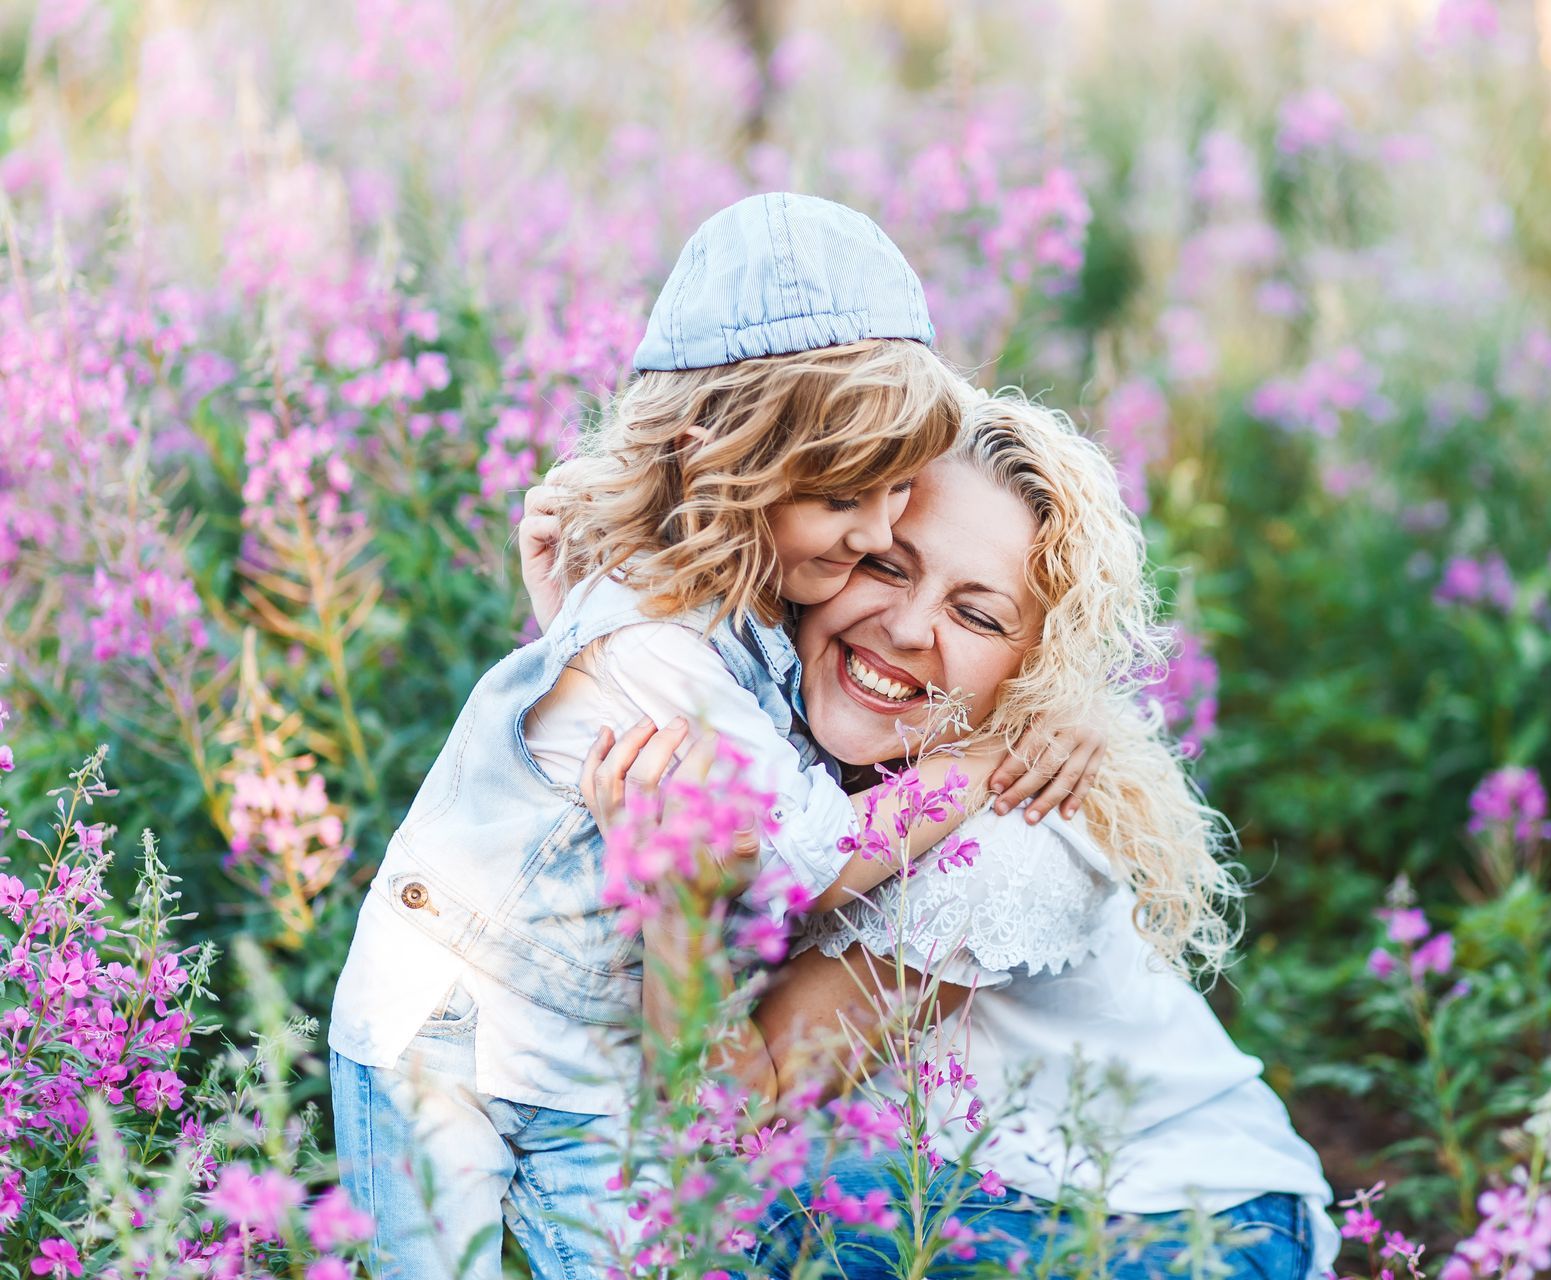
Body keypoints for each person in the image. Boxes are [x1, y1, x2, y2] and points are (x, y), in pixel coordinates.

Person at [329, 195, 1094, 1280]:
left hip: (583, 1046)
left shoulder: (718, 603)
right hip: (443, 1035)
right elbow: (809, 854)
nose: (879, 532)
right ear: (718, 459)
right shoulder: (659, 643)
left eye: (892, 493)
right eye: (846, 500)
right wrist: (970, 771)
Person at [595, 392, 1340, 1280]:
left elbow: (725, 1122)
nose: (908, 629)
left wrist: (673, 904)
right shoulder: (774, 709)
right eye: (886, 564)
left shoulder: (1015, 835)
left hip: (1183, 1226)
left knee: (760, 1219)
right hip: (992, 1183)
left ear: (1037, 669)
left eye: (980, 615)